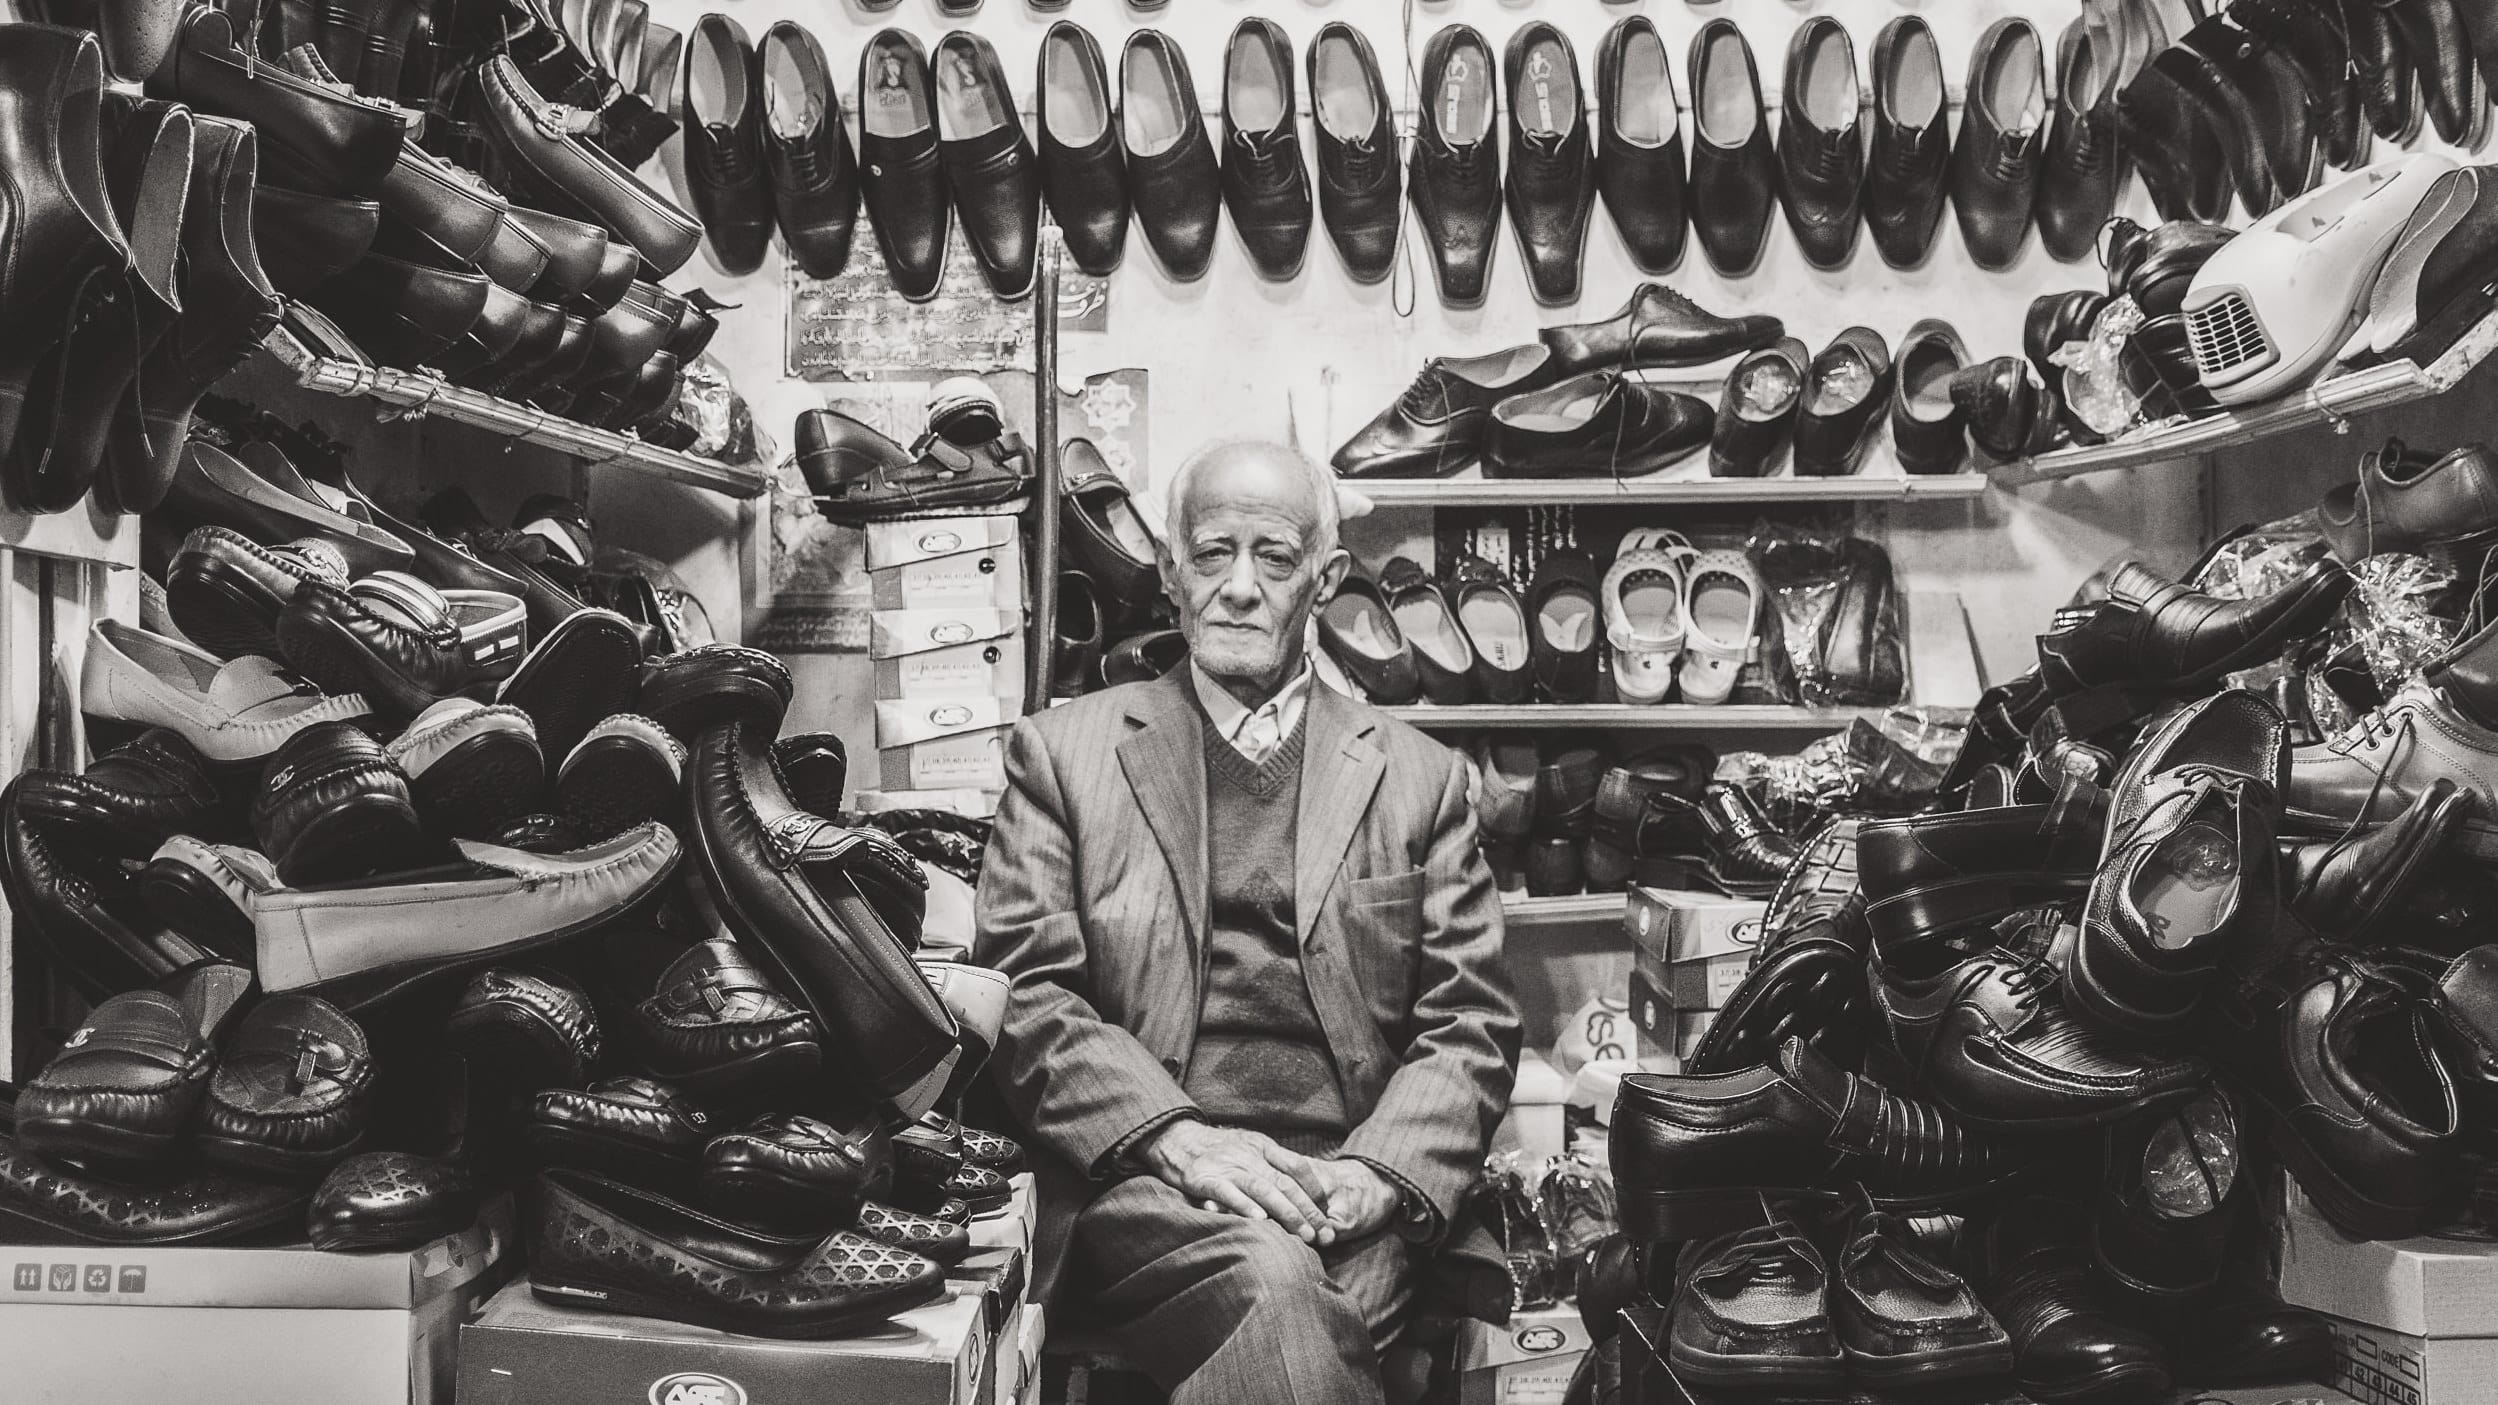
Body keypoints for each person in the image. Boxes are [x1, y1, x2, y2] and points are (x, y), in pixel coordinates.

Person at [975, 440, 1521, 1405]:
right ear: (1173, 573)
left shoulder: (1421, 778)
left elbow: (1469, 1024)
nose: (1238, 587)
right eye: (1211, 553)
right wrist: (1187, 1142)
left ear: (1325, 577)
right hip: (1155, 1182)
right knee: (1282, 1292)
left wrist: (1379, 1178)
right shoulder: (1064, 756)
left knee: (1302, 1303)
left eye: (1272, 557)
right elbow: (1031, 997)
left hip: (1351, 1188)